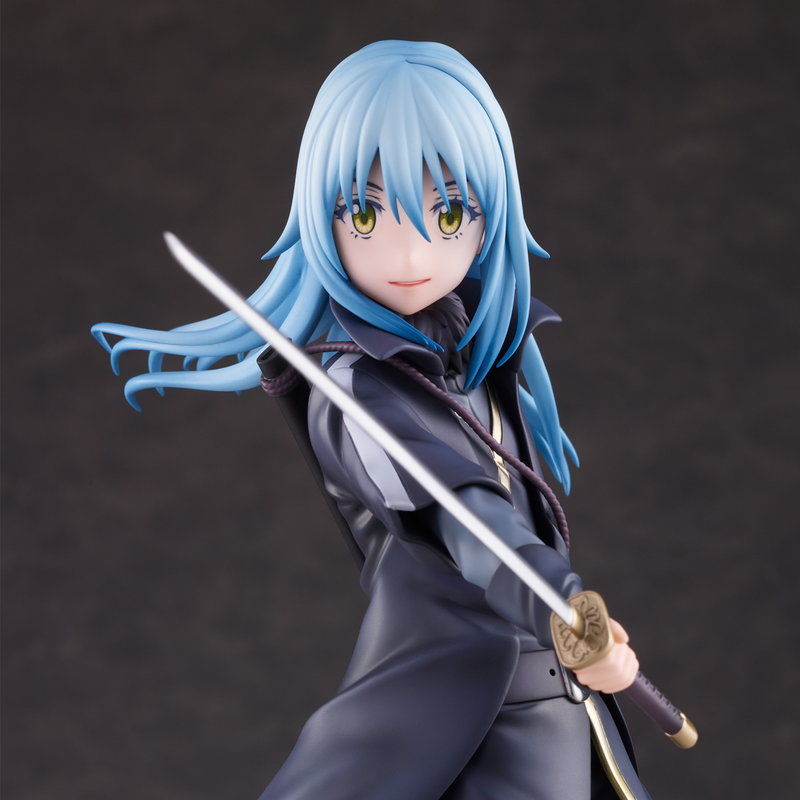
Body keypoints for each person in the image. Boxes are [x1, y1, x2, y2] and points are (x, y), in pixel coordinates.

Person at [93, 40, 650, 800]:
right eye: (364, 212)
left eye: (447, 213)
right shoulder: (358, 391)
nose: (410, 256)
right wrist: (568, 613)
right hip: (468, 723)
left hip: (563, 717)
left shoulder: (476, 357)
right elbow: (467, 523)